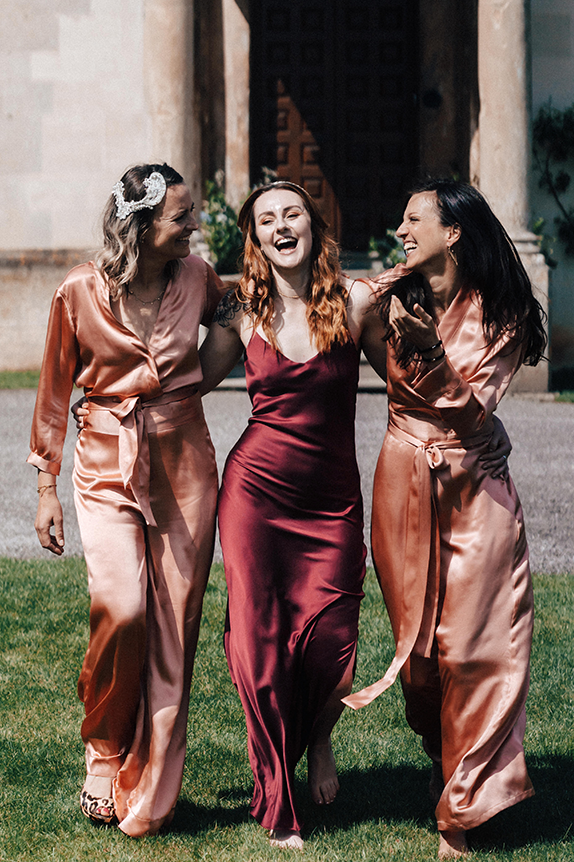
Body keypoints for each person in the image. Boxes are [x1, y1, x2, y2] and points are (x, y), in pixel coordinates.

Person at [197, 180, 513, 849]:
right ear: (254, 239)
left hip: (330, 500)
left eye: (292, 215)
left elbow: (408, 388)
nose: (281, 226)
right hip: (254, 494)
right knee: (259, 647)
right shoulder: (239, 313)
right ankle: (279, 799)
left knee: (332, 644)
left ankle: (319, 737)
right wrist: (114, 390)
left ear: (314, 226)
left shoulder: (359, 301)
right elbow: (186, 381)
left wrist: (475, 434)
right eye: (266, 220)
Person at [343, 179, 546, 859]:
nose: (400, 229)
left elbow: (470, 411)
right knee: (422, 661)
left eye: (413, 219)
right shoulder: (395, 296)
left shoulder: (505, 311)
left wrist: (430, 354)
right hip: (402, 483)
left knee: (475, 650)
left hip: (476, 487)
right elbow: (329, 342)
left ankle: (460, 813)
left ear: (453, 231)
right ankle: (443, 751)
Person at [28, 163, 224, 837]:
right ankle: (105, 750)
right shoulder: (79, 290)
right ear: (140, 224)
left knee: (175, 630)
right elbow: (55, 391)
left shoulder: (199, 280)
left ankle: (150, 792)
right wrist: (45, 488)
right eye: (180, 216)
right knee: (125, 608)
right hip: (104, 459)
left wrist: (211, 374)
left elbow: (244, 321)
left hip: (186, 466)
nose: (193, 225)